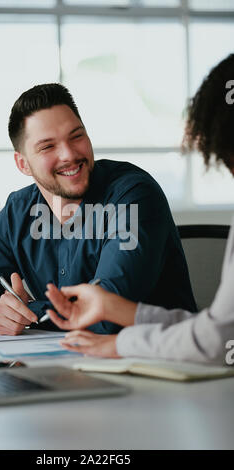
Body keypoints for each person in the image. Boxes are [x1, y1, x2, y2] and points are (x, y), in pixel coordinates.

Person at [0, 83, 196, 336]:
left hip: (156, 361)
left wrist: (30, 311)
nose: (69, 154)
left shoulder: (132, 196)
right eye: (48, 146)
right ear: (23, 164)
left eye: (76, 136)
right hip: (67, 362)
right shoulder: (19, 211)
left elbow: (108, 309)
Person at [45, 54, 234, 365]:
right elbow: (216, 328)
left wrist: (121, 343)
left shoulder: (132, 191)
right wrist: (112, 307)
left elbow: (217, 341)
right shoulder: (18, 206)